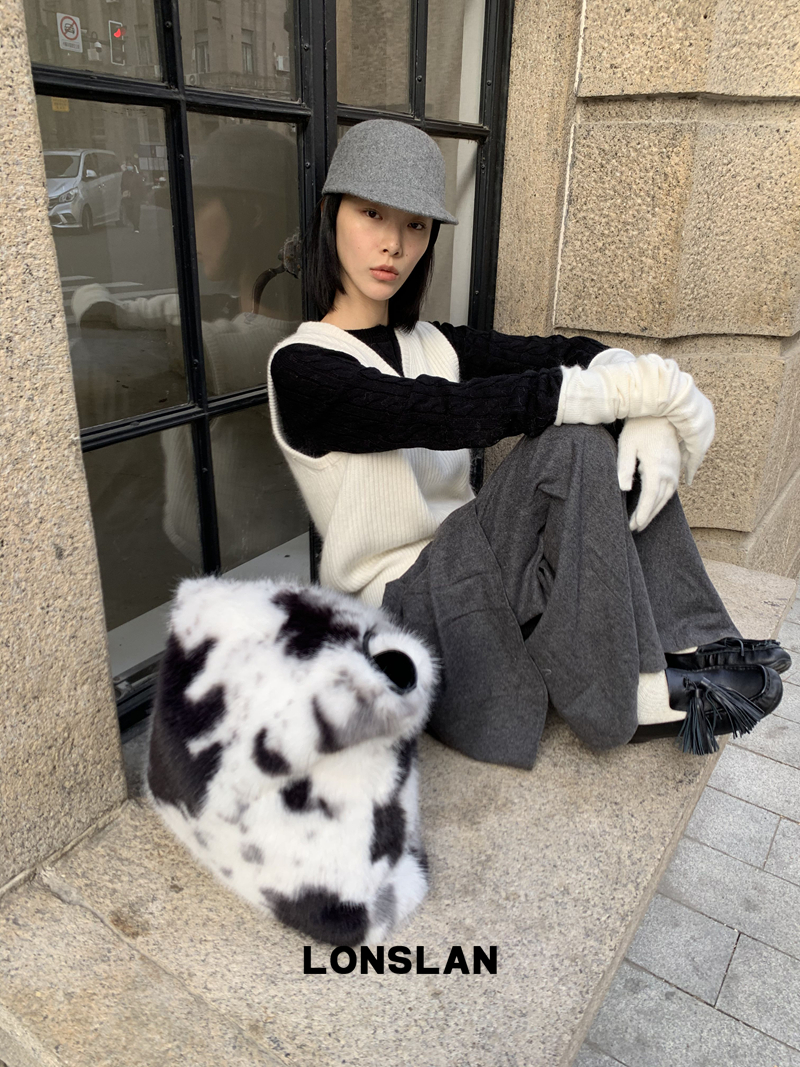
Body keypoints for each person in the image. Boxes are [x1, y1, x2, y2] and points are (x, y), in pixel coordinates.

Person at [267, 119, 789, 769]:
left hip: (478, 566)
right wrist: (634, 398)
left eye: (415, 225)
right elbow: (438, 413)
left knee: (599, 431)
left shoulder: (435, 344)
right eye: (372, 214)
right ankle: (630, 691)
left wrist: (651, 419)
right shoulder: (303, 368)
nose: (394, 244)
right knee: (571, 441)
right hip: (400, 606)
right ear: (330, 216)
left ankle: (692, 643)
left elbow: (573, 353)